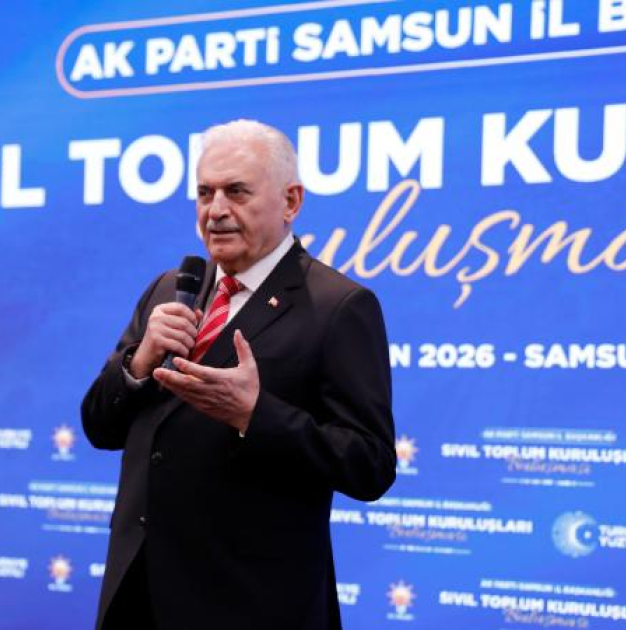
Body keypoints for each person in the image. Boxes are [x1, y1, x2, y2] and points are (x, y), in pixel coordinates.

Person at [81, 119, 396, 630]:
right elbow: (99, 426)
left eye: (237, 192)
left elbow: (370, 465)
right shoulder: (169, 289)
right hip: (138, 595)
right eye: (205, 193)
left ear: (291, 201)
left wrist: (255, 416)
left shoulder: (338, 306)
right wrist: (138, 364)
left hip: (250, 603)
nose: (216, 210)